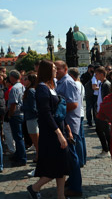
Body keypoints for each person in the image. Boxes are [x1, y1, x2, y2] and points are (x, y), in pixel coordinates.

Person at [27, 60, 69, 199]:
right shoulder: (42, 88)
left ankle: (60, 196)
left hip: (58, 130)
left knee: (61, 164)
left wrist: (66, 128)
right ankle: (35, 187)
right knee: (56, 165)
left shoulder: (50, 87)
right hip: (51, 133)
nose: (56, 70)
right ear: (47, 71)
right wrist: (59, 134)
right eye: (53, 68)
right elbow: (46, 113)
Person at [54, 61, 82, 197]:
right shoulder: (61, 82)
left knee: (72, 157)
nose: (56, 71)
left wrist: (58, 113)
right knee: (69, 157)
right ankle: (72, 181)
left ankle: (76, 188)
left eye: (58, 69)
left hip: (70, 123)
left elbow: (73, 104)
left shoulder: (67, 82)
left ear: (65, 69)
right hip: (66, 123)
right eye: (55, 69)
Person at [7, 70, 27, 166]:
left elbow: (13, 103)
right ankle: (18, 154)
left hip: (16, 115)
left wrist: (10, 114)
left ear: (12, 78)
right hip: (22, 113)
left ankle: (22, 158)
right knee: (19, 136)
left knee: (18, 137)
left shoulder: (14, 88)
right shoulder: (22, 86)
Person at [68, 67, 87, 167]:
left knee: (78, 138)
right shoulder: (80, 84)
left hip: (77, 113)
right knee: (81, 137)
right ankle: (83, 158)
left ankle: (80, 160)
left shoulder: (74, 84)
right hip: (81, 112)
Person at [94, 66, 112, 158]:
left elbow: (106, 100)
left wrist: (102, 112)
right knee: (101, 130)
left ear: (101, 74)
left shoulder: (106, 84)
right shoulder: (102, 84)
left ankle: (107, 149)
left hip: (103, 112)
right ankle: (107, 149)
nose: (95, 76)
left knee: (104, 131)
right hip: (100, 111)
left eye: (96, 74)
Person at [22, 72, 38, 162]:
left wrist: (21, 107)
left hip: (32, 118)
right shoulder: (29, 90)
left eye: (25, 79)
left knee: (36, 141)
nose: (24, 81)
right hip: (30, 117)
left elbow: (33, 107)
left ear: (30, 81)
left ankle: (39, 158)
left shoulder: (31, 91)